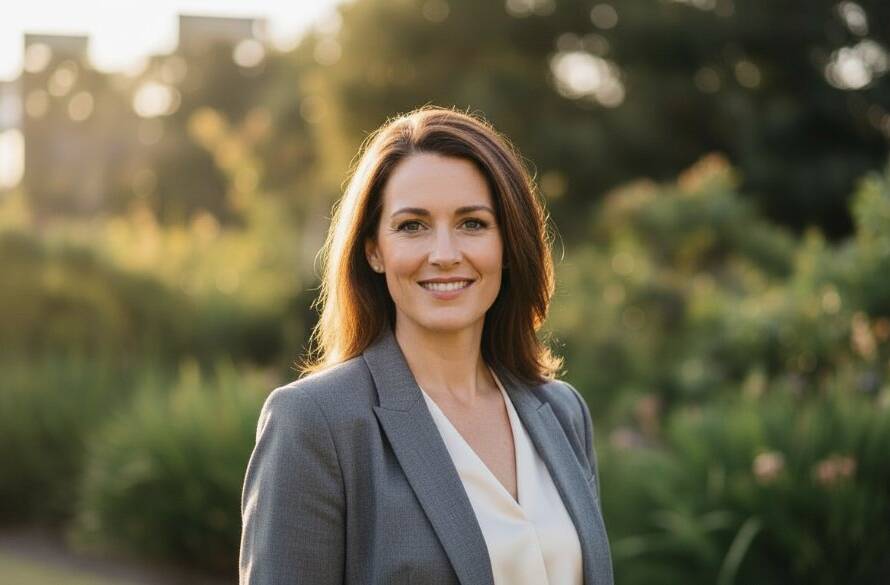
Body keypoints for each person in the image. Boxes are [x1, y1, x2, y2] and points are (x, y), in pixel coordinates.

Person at [239, 106, 613, 585]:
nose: (444, 254)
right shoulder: (316, 422)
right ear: (374, 249)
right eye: (412, 225)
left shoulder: (562, 412)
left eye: (473, 223)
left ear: (508, 244)